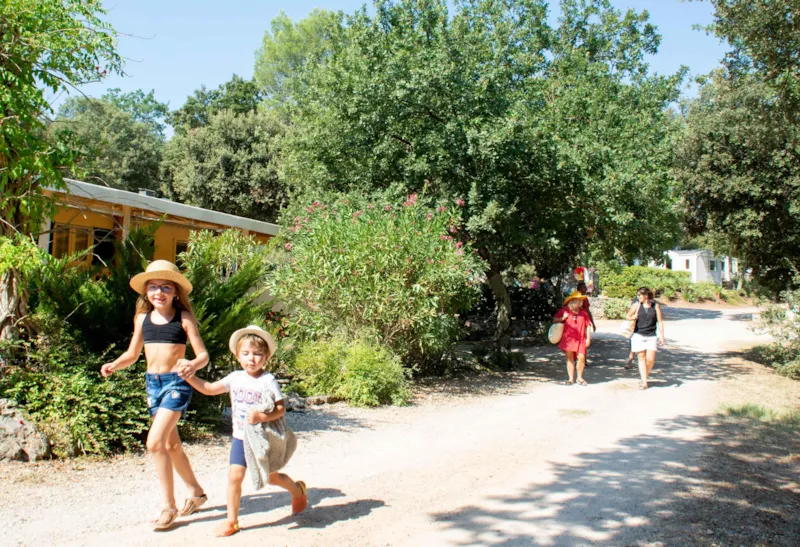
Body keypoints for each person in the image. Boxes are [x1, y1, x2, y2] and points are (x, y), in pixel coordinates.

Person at [101, 260, 209, 530]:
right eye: (153, 287)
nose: (158, 292)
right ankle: (197, 492)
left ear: (175, 292)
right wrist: (115, 364)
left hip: (177, 383)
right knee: (171, 446)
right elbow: (132, 354)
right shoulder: (141, 319)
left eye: (165, 287)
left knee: (154, 443)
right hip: (153, 384)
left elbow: (203, 356)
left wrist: (191, 365)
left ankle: (168, 506)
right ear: (146, 292)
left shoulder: (184, 318)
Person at [183, 325, 308, 537]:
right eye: (246, 354)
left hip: (262, 439)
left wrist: (262, 417)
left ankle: (297, 490)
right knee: (234, 476)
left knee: (271, 477)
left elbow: (280, 408)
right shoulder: (235, 378)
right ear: (237, 355)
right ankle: (232, 521)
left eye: (258, 354)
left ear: (266, 357)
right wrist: (189, 377)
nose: (252, 359)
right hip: (240, 438)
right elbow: (209, 388)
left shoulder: (268, 381)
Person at [626, 287, 665, 389]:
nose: (638, 297)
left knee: (650, 359)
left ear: (646, 296)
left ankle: (644, 377)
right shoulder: (637, 305)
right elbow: (627, 316)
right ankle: (644, 382)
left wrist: (662, 336)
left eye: (639, 295)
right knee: (641, 358)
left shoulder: (656, 306)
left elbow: (660, 322)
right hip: (638, 334)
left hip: (651, 335)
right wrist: (632, 317)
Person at [553, 291, 592, 385]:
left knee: (581, 357)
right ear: (573, 301)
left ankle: (580, 378)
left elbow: (588, 325)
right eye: (578, 300)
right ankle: (571, 379)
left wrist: (588, 338)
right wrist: (563, 318)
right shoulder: (565, 311)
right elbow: (554, 320)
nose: (580, 302)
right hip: (568, 339)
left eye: (580, 301)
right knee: (569, 358)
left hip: (581, 339)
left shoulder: (583, 313)